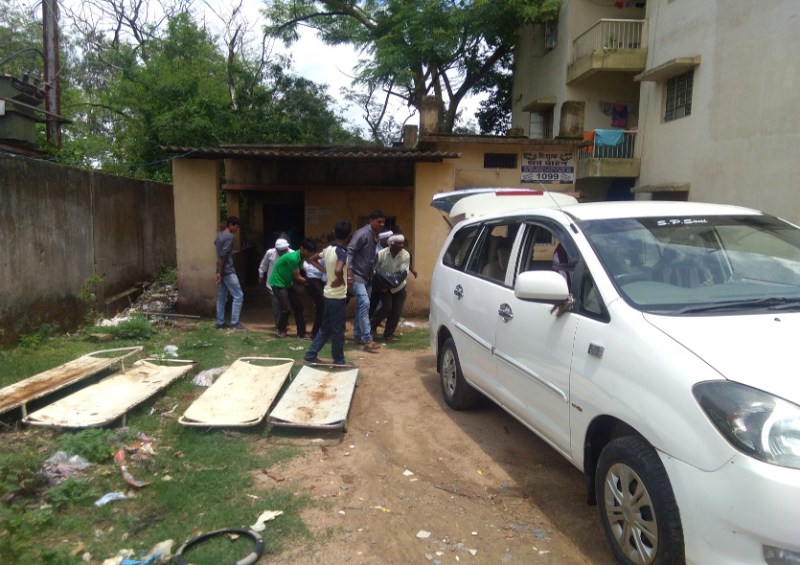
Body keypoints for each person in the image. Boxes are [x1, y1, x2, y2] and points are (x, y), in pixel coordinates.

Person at [304, 220, 353, 365]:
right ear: (348, 236)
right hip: (337, 297)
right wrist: (339, 279)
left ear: (334, 232)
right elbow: (339, 269)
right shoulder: (342, 252)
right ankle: (338, 360)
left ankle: (311, 355)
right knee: (338, 330)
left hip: (328, 294)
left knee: (326, 327)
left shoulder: (328, 249)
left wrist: (325, 271)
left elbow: (311, 259)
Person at [347, 210, 385, 352]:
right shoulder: (362, 234)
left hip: (367, 276)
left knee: (362, 307)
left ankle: (357, 335)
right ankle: (367, 339)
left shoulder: (375, 236)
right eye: (378, 222)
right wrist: (349, 273)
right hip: (357, 275)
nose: (381, 225)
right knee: (365, 303)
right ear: (370, 221)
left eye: (383, 222)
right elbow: (350, 251)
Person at [269, 238, 316, 338]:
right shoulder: (293, 258)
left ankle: (301, 333)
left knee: (298, 306)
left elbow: (306, 269)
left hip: (287, 284)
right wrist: (311, 282)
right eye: (309, 252)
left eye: (311, 252)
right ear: (302, 249)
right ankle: (280, 330)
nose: (309, 254)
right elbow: (297, 277)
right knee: (286, 309)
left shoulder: (301, 257)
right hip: (278, 283)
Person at [370, 234, 411, 342]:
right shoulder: (381, 254)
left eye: (402, 243)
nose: (402, 246)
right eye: (399, 243)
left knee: (396, 311)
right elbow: (374, 271)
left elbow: (403, 273)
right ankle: (372, 327)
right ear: (392, 244)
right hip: (383, 287)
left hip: (399, 287)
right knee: (386, 308)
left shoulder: (405, 255)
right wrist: (382, 285)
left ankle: (388, 334)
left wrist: (391, 282)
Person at [215, 216, 245, 330]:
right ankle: (235, 323)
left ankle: (220, 322)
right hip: (227, 271)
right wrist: (220, 271)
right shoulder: (229, 236)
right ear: (231, 225)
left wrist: (218, 271)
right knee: (239, 295)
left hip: (221, 270)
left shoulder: (219, 235)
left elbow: (217, 248)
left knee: (222, 296)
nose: (237, 229)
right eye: (236, 227)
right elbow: (223, 254)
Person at [304, 233, 334, 340]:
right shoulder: (328, 251)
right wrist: (324, 270)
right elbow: (311, 259)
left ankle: (320, 332)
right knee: (322, 307)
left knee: (324, 307)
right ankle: (315, 333)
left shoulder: (335, 251)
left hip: (318, 281)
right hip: (313, 280)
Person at [258, 237, 291, 327]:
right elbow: (263, 264)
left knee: (285, 306)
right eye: (281, 250)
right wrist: (261, 275)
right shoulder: (270, 253)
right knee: (276, 306)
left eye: (285, 250)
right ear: (277, 249)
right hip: (272, 284)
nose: (283, 252)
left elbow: (302, 264)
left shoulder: (291, 253)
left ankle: (283, 323)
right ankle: (279, 325)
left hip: (285, 284)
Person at [369, 230, 394, 320]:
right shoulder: (376, 251)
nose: (390, 241)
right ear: (383, 239)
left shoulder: (390, 249)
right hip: (376, 281)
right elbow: (373, 268)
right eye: (388, 239)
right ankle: (372, 321)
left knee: (384, 303)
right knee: (373, 302)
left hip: (385, 280)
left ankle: (378, 320)